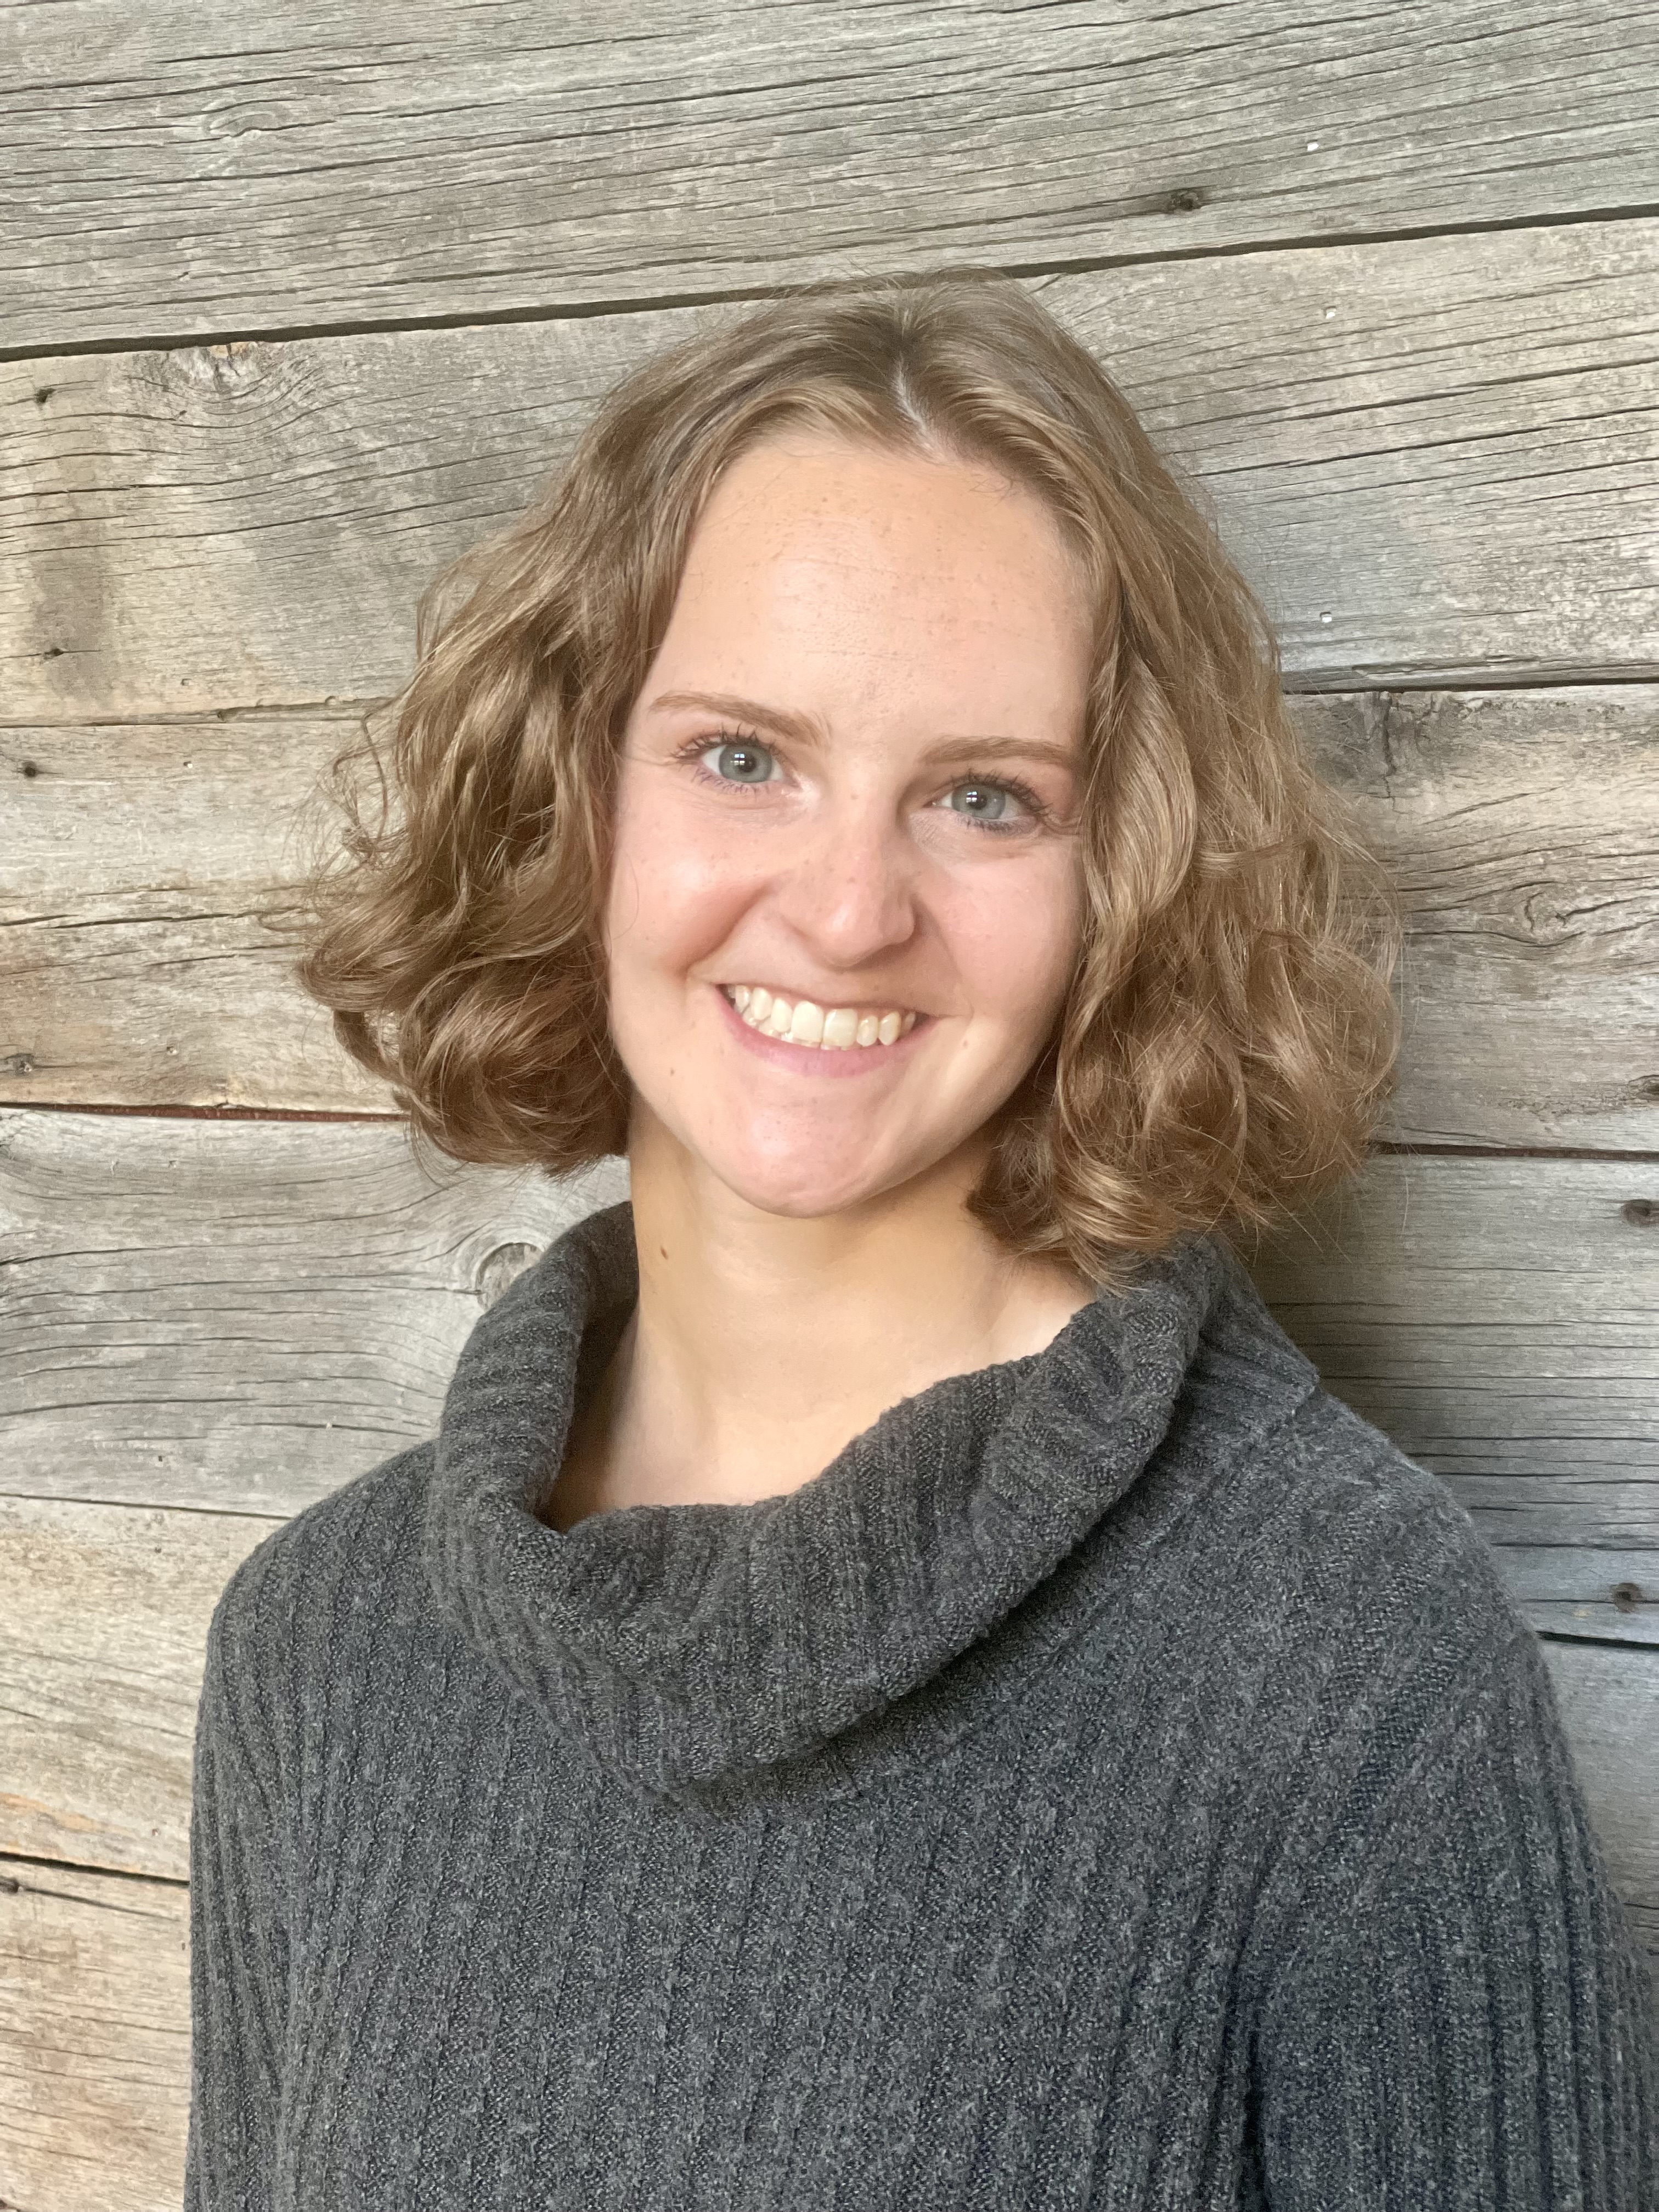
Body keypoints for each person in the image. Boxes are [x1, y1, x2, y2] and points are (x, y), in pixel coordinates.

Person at [185, 268, 1657, 2209]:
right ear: (571, 791)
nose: (850, 907)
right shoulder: (318, 1654)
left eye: (984, 798)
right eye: (741, 756)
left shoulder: (1341, 1669)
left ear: (1119, 876)